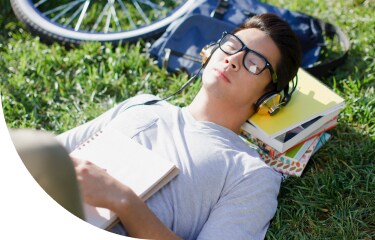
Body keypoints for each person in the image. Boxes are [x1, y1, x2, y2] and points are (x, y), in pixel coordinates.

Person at [54, 13, 302, 239]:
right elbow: (50, 152)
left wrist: (124, 200)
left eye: (254, 63)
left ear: (269, 98)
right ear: (209, 52)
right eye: (231, 46)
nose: (234, 60)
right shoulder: (143, 104)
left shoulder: (251, 172)